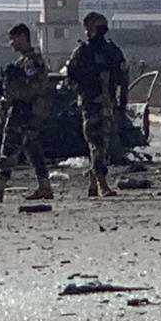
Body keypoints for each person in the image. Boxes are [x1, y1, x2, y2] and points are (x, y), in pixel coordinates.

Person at [0, 23, 52, 203]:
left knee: (9, 147)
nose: (11, 44)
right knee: (33, 148)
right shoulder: (22, 62)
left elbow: (35, 86)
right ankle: (44, 185)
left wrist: (17, 84)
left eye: (14, 39)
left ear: (23, 38)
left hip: (25, 110)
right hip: (25, 109)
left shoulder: (32, 62)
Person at [65, 12, 129, 197]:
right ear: (88, 29)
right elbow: (70, 77)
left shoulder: (111, 51)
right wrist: (85, 92)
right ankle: (101, 183)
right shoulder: (82, 52)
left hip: (108, 103)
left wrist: (123, 100)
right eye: (97, 27)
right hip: (91, 104)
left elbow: (123, 75)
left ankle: (94, 181)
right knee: (97, 143)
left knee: (105, 145)